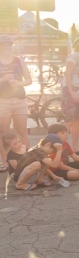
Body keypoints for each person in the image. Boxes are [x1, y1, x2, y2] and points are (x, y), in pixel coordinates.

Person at [0, 35, 31, 172]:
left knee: (22, 131)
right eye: (4, 45)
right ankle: (6, 162)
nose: (7, 47)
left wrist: (20, 83)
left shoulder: (19, 61)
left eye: (9, 45)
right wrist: (3, 79)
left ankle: (26, 159)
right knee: (5, 134)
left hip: (19, 100)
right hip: (3, 101)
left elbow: (29, 80)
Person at [61, 37, 79, 155]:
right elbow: (67, 73)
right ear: (78, 44)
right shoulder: (74, 56)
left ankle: (75, 147)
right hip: (70, 88)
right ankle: (62, 147)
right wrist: (70, 91)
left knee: (77, 120)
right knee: (68, 119)